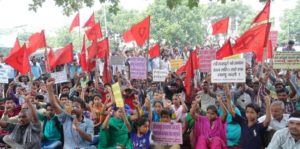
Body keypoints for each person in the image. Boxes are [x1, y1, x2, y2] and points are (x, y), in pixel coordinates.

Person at [46, 78, 95, 149]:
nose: (73, 108)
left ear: (83, 109)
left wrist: (78, 129)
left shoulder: (89, 122)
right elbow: (54, 105)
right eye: (72, 106)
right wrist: (49, 88)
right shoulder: (65, 118)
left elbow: (90, 138)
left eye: (76, 107)